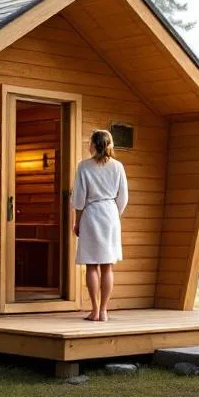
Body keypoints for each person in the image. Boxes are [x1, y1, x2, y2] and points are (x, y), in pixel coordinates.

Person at [72, 129, 128, 321]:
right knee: (107, 266)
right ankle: (104, 311)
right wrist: (114, 214)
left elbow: (79, 199)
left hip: (91, 214)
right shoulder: (118, 166)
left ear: (94, 145)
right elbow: (123, 198)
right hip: (111, 215)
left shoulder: (84, 167)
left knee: (92, 265)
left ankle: (95, 310)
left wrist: (77, 222)